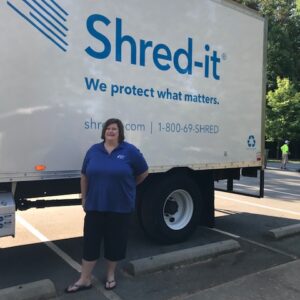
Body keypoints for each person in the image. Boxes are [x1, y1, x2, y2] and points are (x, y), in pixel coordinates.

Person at [65, 118, 148, 293]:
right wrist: (84, 198)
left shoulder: (129, 151)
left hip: (120, 207)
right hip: (95, 205)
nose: (111, 131)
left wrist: (130, 186)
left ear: (120, 133)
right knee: (90, 243)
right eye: (108, 128)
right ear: (104, 132)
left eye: (115, 129)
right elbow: (84, 176)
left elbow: (143, 172)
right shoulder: (94, 150)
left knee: (115, 242)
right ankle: (84, 279)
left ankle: (110, 275)